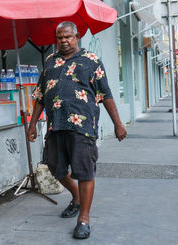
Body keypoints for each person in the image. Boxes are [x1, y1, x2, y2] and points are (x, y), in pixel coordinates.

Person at [27, 21, 127, 239]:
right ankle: (76, 196)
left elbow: (105, 94)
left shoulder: (91, 61)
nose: (64, 41)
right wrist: (33, 123)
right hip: (56, 125)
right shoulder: (50, 61)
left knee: (84, 171)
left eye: (68, 37)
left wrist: (118, 124)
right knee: (55, 167)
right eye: (60, 37)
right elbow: (40, 95)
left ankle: (83, 218)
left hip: (83, 127)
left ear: (77, 36)